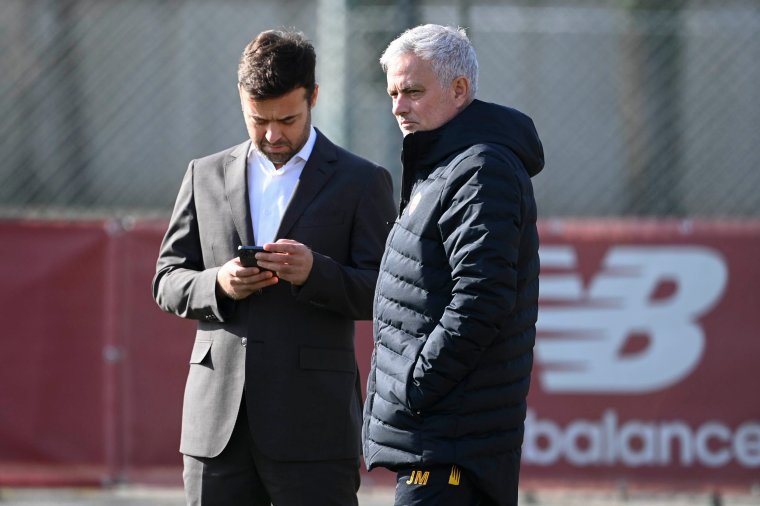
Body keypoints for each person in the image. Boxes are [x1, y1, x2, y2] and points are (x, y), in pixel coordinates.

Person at [153, 29, 396, 506]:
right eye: (257, 120)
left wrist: (316, 272)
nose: (271, 134)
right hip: (216, 427)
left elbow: (386, 292)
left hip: (314, 428)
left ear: (315, 97)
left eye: (287, 119)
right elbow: (167, 280)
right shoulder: (204, 173)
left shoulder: (362, 181)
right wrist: (219, 283)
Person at [362, 24, 545, 505]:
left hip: (449, 451)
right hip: (440, 444)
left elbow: (482, 298)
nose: (399, 107)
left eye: (413, 91)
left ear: (459, 90)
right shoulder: (445, 166)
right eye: (394, 93)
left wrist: (415, 384)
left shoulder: (480, 169)